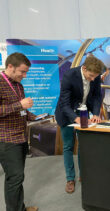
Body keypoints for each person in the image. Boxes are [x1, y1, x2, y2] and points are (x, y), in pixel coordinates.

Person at [55, 55, 103, 193]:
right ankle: (70, 179)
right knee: (68, 146)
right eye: (91, 76)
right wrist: (75, 118)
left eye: (95, 77)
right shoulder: (69, 75)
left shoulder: (96, 75)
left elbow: (97, 95)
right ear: (84, 68)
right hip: (66, 114)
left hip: (83, 113)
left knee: (84, 145)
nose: (93, 79)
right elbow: (64, 103)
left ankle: (84, 175)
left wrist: (95, 113)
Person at [0, 53, 38, 211]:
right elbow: (17, 107)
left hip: (21, 136)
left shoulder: (18, 84)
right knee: (14, 178)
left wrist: (35, 117)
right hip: (6, 139)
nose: (25, 75)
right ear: (10, 67)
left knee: (18, 177)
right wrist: (19, 105)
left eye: (26, 72)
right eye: (22, 71)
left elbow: (21, 110)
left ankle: (19, 208)